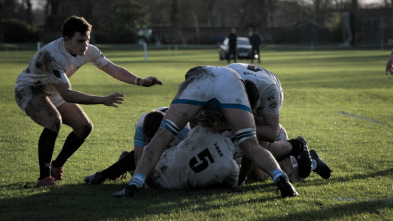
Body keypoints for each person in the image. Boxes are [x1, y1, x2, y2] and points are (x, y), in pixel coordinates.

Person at [14, 15, 162, 187]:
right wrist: (102, 99)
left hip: (54, 90)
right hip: (29, 89)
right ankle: (44, 178)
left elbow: (112, 68)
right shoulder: (52, 55)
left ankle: (56, 166)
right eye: (80, 41)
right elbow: (67, 94)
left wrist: (139, 81)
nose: (85, 45)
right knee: (53, 122)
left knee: (84, 127)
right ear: (66, 40)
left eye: (87, 40)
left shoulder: (88, 50)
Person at [112, 66, 299, 198]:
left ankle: (133, 185)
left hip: (199, 83)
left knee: (161, 137)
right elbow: (249, 145)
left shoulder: (193, 89)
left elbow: (183, 133)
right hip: (231, 84)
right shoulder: (236, 88)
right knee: (250, 145)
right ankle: (281, 179)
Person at [226, 63, 323, 184]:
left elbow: (270, 134)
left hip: (267, 86)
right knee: (256, 175)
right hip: (240, 79)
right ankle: (312, 162)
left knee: (289, 175)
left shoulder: (268, 90)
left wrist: (239, 180)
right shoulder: (225, 85)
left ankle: (296, 146)